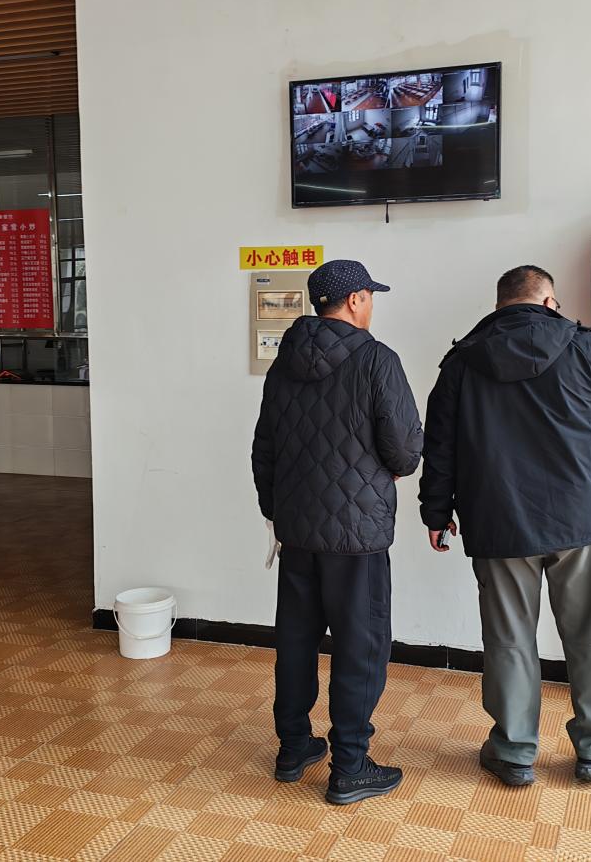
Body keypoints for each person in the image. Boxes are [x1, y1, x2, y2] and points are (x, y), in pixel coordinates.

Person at [419, 265, 591, 787]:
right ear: (549, 302)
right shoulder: (584, 346)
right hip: (581, 522)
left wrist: (436, 513)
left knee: (508, 641)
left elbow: (438, 447)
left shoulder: (463, 360)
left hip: (499, 522)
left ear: (500, 304)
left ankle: (513, 753)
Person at [252, 259, 423, 805]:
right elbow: (405, 451)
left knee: (295, 641)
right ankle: (350, 766)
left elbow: (264, 449)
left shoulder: (283, 364)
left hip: (298, 531)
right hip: (357, 536)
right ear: (354, 300)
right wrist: (393, 467)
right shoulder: (377, 360)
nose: (372, 305)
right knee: (360, 647)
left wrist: (279, 513)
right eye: (370, 296)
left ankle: (293, 748)